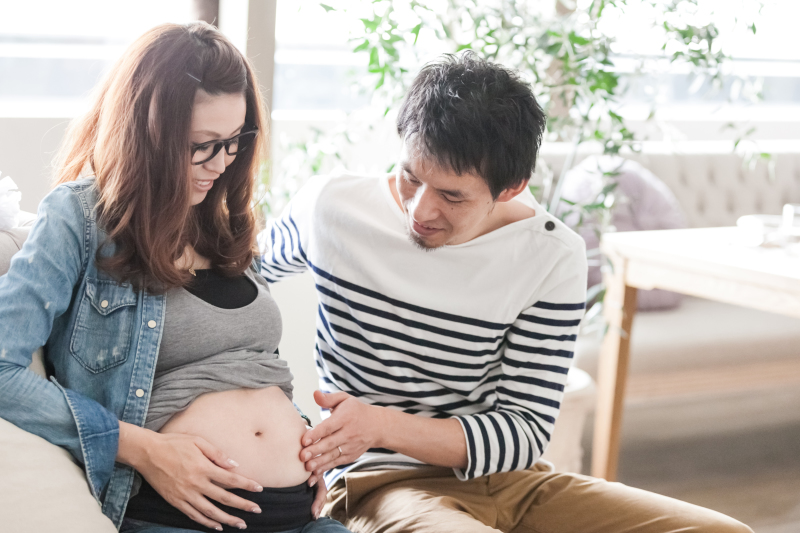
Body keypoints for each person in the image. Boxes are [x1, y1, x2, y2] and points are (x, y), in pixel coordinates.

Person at [261, 52, 753, 533]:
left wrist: (380, 424)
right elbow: (235, 281)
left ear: (511, 187)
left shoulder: (552, 255)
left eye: (452, 195)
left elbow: (524, 432)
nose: (419, 210)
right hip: (380, 483)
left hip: (511, 483)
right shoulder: (332, 209)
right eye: (410, 176)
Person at [0, 22, 351, 533]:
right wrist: (143, 450)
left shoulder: (223, 222)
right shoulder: (80, 219)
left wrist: (302, 439)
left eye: (234, 141)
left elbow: (247, 367)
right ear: (148, 133)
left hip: (304, 519)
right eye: (202, 144)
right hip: (175, 520)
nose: (221, 163)